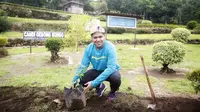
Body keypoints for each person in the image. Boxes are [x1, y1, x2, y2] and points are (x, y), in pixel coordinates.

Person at [73, 26, 121, 100]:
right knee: (82, 79)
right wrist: (75, 79)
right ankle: (100, 86)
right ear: (92, 38)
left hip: (111, 71)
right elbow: (83, 66)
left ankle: (112, 92)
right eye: (95, 37)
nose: (98, 40)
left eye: (100, 37)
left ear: (104, 37)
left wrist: (93, 83)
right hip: (97, 70)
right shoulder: (89, 49)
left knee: (116, 78)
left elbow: (111, 68)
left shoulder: (110, 48)